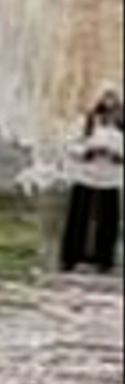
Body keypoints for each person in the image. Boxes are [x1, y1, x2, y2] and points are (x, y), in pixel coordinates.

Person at [63, 87, 125, 278]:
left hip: (111, 178)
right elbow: (70, 145)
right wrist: (87, 152)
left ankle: (103, 258)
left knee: (108, 220)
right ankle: (71, 256)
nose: (109, 103)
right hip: (85, 175)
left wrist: (117, 156)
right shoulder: (86, 122)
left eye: (113, 99)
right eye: (106, 98)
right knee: (79, 217)